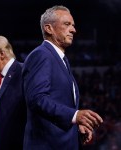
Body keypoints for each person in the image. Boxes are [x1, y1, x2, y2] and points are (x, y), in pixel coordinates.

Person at [22, 5, 103, 150]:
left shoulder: (60, 59)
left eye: (73, 25)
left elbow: (59, 105)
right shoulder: (41, 55)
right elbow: (37, 98)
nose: (73, 29)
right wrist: (74, 115)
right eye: (67, 24)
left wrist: (75, 125)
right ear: (49, 28)